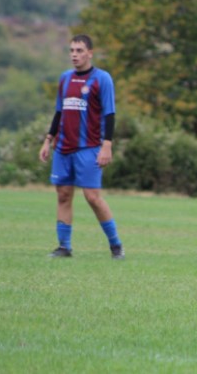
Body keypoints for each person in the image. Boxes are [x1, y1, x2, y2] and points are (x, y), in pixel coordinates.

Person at [39, 34, 124, 260]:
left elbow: (110, 114)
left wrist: (107, 145)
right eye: (72, 51)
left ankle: (116, 245)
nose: (74, 55)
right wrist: (48, 139)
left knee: (92, 197)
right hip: (63, 148)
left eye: (79, 51)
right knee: (63, 195)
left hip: (89, 147)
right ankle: (64, 247)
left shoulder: (102, 79)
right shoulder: (65, 78)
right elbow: (59, 112)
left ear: (90, 53)